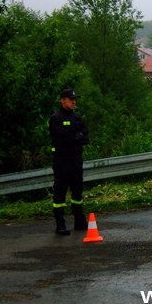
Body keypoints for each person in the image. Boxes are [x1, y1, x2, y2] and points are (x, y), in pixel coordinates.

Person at [49, 88, 90, 235]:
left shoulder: (77, 117)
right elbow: (62, 139)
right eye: (70, 99)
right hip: (62, 161)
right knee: (60, 192)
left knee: (77, 190)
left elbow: (86, 136)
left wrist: (76, 137)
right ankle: (60, 223)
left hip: (76, 160)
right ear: (62, 100)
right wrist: (75, 137)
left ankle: (79, 220)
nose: (74, 101)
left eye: (75, 99)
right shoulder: (56, 118)